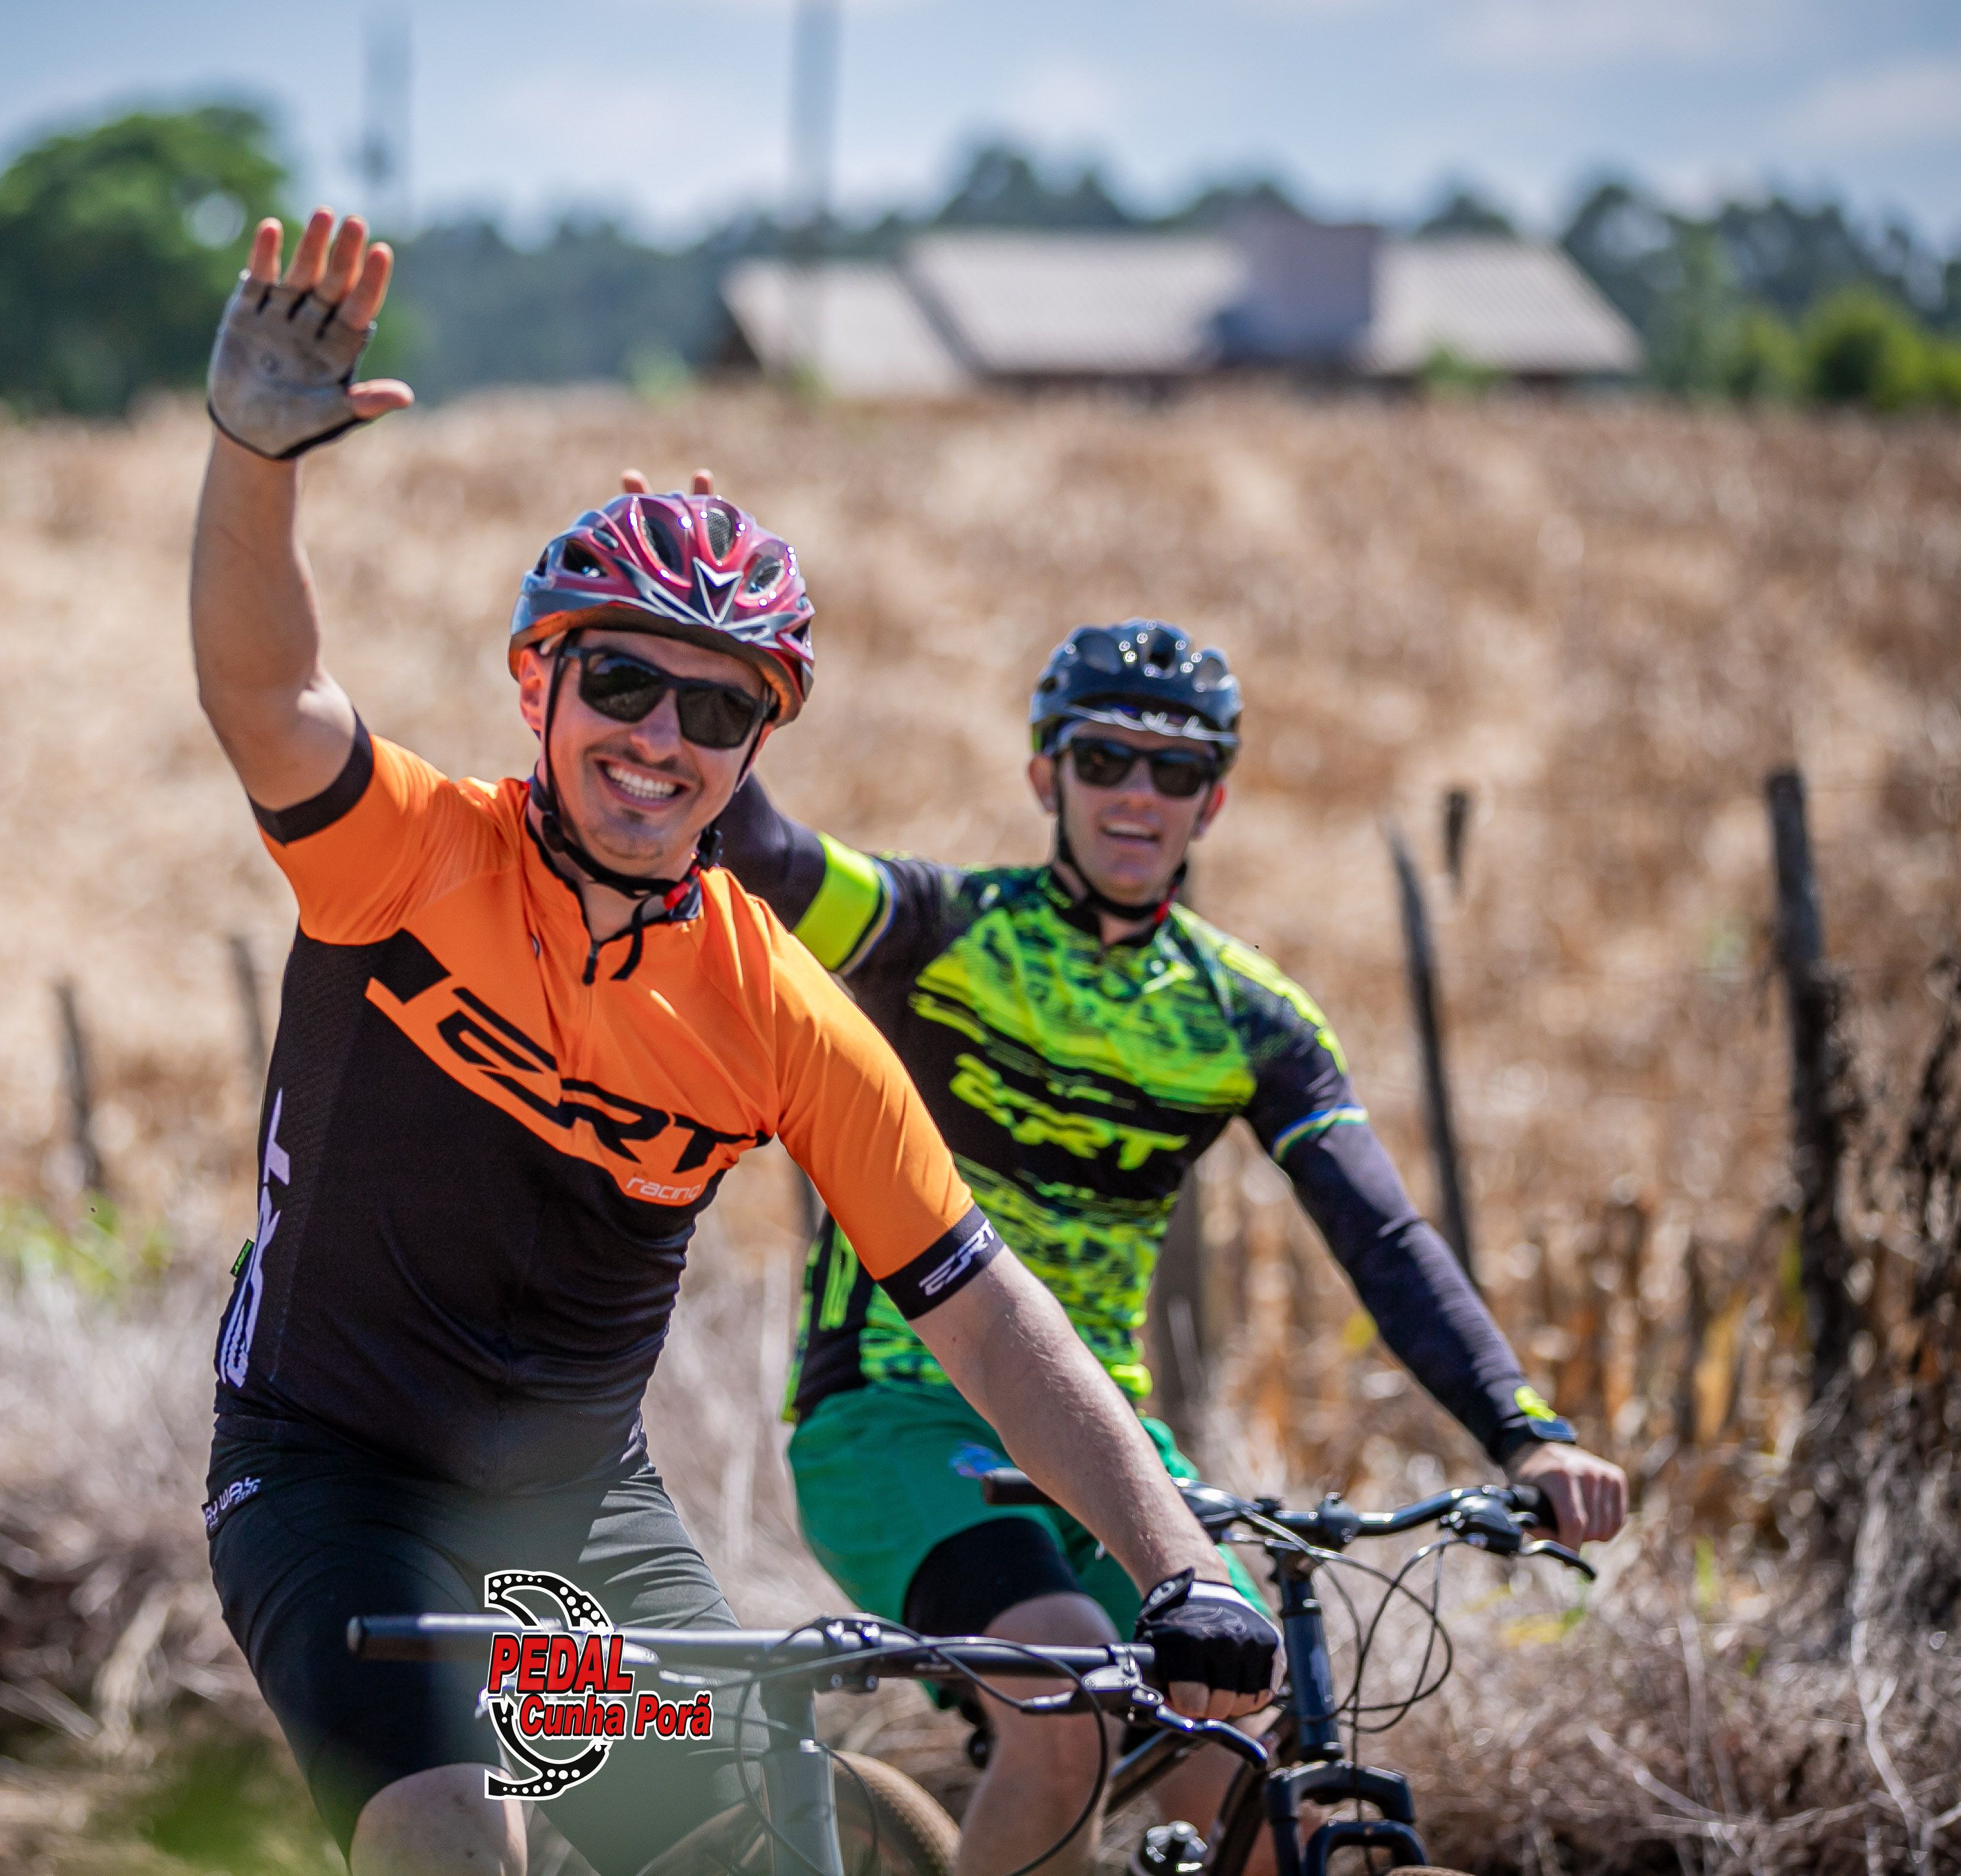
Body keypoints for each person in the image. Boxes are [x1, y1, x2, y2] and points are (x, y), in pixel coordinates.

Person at [189, 212, 1282, 1876]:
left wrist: (1178, 1561)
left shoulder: (775, 1007)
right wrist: (254, 460)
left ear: (756, 745)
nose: (661, 738)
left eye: (718, 710)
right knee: (452, 1836)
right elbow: (267, 697)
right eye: (625, 684)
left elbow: (986, 1315)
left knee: (749, 1842)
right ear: (539, 685)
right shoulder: (408, 858)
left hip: (572, 1520)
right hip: (329, 1477)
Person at [684, 546, 1633, 1876]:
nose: (1138, 792)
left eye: (1175, 770)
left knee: (1245, 1733)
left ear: (1214, 800)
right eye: (1105, 759)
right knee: (1069, 1696)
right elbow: (760, 854)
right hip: (896, 1414)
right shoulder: (935, 928)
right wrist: (714, 649)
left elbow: (1382, 1237)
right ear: (1046, 778)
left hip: (1105, 1440)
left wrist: (1525, 1433)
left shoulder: (1249, 1014)